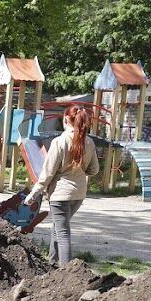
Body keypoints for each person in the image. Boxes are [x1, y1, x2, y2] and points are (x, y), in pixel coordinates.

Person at [24, 103, 99, 266]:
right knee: (58, 228)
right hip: (78, 195)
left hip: (60, 196)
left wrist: (33, 193)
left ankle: (68, 272)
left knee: (63, 233)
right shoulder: (89, 142)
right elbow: (94, 170)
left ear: (66, 119)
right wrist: (78, 172)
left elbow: (48, 173)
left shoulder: (60, 141)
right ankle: (52, 265)